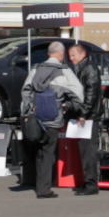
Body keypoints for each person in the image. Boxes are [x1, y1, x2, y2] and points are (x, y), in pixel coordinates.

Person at [20, 42, 83, 199]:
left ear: (48, 54)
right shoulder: (64, 71)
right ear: (61, 55)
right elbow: (79, 94)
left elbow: (25, 91)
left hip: (35, 118)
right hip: (53, 119)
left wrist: (28, 111)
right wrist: (67, 105)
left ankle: (36, 183)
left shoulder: (35, 68)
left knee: (37, 151)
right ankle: (44, 188)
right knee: (48, 152)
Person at [67, 44, 102, 196]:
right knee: (83, 151)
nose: (71, 58)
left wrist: (83, 113)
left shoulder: (89, 68)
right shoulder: (79, 68)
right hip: (82, 115)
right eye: (69, 55)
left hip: (89, 116)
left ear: (82, 54)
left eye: (73, 55)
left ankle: (91, 183)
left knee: (88, 151)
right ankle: (86, 181)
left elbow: (91, 93)